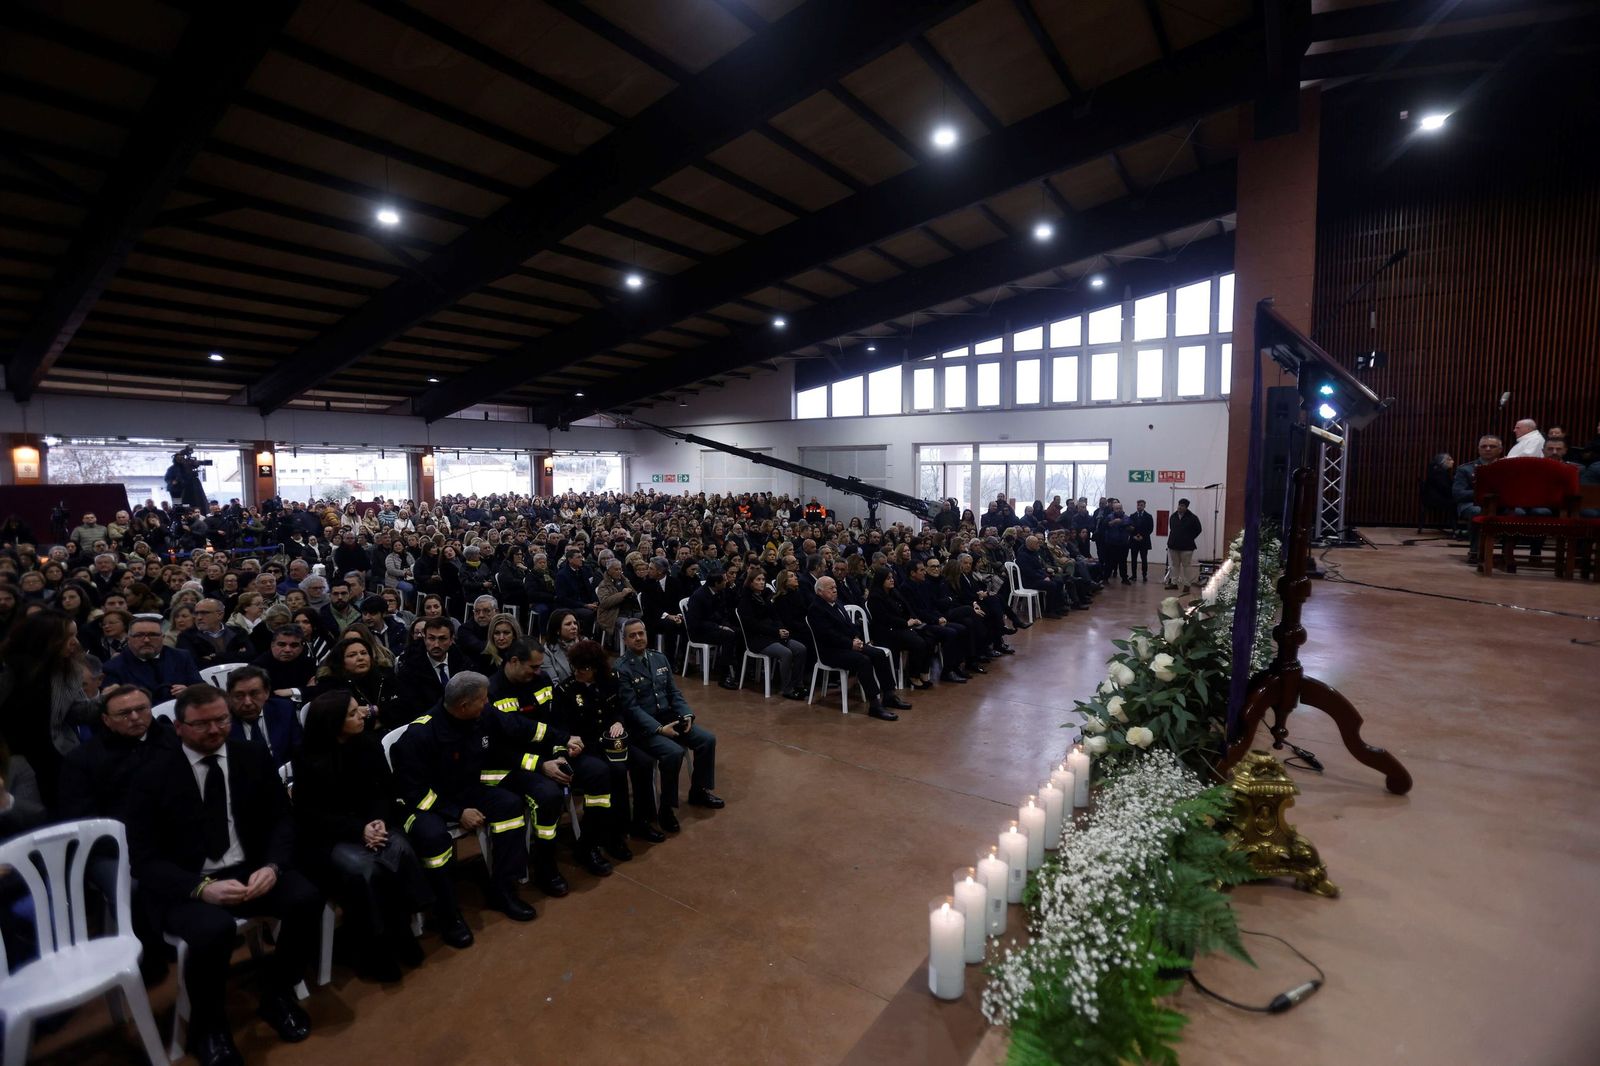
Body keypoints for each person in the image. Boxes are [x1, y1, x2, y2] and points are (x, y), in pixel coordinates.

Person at [125, 683, 324, 1066]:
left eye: (221, 720)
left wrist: (273, 866)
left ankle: (278, 993)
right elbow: (145, 859)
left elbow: (281, 820)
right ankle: (209, 1026)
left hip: (249, 867)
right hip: (187, 881)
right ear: (179, 727)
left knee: (306, 899)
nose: (215, 730)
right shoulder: (152, 775)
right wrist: (201, 889)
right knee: (213, 931)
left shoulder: (249, 755)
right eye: (202, 724)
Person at [388, 672, 538, 949]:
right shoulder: (420, 735)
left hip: (464, 790)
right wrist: (457, 812)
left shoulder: (477, 717)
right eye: (483, 699)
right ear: (464, 705)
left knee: (509, 805)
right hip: (426, 803)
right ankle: (448, 914)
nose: (488, 703)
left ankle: (502, 890)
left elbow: (514, 730)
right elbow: (412, 792)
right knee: (433, 838)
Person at [292, 690, 431, 983]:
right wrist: (359, 830)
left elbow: (384, 788)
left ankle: (400, 927)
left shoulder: (367, 743)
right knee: (363, 870)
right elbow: (311, 814)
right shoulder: (307, 756)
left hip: (371, 823)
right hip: (330, 835)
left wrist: (378, 820)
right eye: (353, 713)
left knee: (400, 850)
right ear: (333, 722)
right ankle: (373, 946)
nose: (363, 714)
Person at [483, 640, 607, 892]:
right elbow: (498, 746)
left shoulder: (541, 681)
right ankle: (545, 867)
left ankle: (588, 845)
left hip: (551, 753)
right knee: (548, 795)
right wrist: (541, 765)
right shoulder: (491, 691)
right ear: (514, 662)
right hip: (512, 763)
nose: (540, 671)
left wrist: (562, 750)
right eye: (534, 666)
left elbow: (556, 721)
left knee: (599, 773)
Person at [550, 641, 650, 872]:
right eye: (574, 667)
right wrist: (571, 741)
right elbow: (561, 727)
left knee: (643, 763)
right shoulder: (566, 691)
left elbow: (618, 708)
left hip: (611, 740)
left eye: (583, 668)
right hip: (585, 747)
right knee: (614, 772)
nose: (577, 672)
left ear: (595, 668)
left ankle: (640, 821)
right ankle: (610, 835)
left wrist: (618, 721)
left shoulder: (610, 680)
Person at [615, 619, 723, 834]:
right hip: (644, 727)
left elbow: (674, 693)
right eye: (633, 635)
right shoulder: (621, 668)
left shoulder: (659, 657)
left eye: (641, 633)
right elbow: (631, 709)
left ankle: (699, 790)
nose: (638, 638)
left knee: (707, 740)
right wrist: (659, 729)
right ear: (625, 640)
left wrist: (686, 714)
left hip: (670, 717)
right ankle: (666, 808)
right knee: (673, 753)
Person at [0, 609, 97, 806]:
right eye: (68, 636)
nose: (75, 642)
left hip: (56, 752)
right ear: (44, 639)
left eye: (75, 635)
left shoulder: (70, 670)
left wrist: (105, 702)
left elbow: (77, 713)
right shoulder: (7, 671)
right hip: (10, 756)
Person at [806, 577, 906, 721]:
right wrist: (850, 644)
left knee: (879, 654)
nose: (835, 590)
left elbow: (850, 626)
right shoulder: (816, 609)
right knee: (863, 660)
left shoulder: (837, 603)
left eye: (835, 587)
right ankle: (875, 705)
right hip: (831, 652)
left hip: (848, 644)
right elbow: (828, 635)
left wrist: (857, 638)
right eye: (830, 588)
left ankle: (889, 695)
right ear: (819, 592)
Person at [735, 569, 808, 699]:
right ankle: (787, 688)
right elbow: (753, 625)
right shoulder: (745, 600)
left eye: (763, 579)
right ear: (750, 582)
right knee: (786, 653)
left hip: (773, 634)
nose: (762, 582)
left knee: (800, 649)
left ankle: (798, 683)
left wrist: (781, 628)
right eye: (758, 580)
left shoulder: (765, 597)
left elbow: (775, 616)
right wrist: (776, 631)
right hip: (757, 639)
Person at [865, 565, 934, 690]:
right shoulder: (875, 597)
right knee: (919, 643)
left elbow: (906, 607)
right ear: (880, 580)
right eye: (888, 578)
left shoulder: (894, 592)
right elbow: (884, 618)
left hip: (900, 626)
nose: (892, 580)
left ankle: (923, 672)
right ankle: (913, 676)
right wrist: (906, 623)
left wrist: (913, 618)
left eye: (892, 577)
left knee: (930, 638)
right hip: (886, 631)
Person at [103, 613, 203, 699]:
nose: (146, 640)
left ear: (162, 637)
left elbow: (202, 688)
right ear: (129, 639)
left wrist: (189, 692)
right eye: (139, 635)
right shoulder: (113, 667)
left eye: (153, 635)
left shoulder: (181, 657)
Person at [395, 616, 477, 716]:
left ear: (451, 640)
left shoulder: (464, 664)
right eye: (431, 638)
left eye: (442, 639)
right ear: (424, 639)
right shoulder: (410, 669)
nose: (436, 644)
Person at [226, 664, 303, 765]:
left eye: (254, 694)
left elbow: (299, 748)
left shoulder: (284, 709)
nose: (247, 702)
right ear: (229, 697)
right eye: (239, 696)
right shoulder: (222, 721)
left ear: (266, 693)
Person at [686, 564, 740, 689]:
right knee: (728, 635)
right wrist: (719, 627)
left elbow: (723, 613)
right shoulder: (698, 597)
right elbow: (695, 622)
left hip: (715, 626)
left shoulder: (721, 592)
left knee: (739, 631)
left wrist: (725, 624)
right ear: (716, 583)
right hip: (700, 631)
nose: (727, 581)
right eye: (725, 579)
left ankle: (738, 668)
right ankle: (724, 675)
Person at [178, 598, 256, 668]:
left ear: (219, 615)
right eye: (196, 613)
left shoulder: (238, 632)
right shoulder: (186, 636)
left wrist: (214, 657)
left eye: (204, 613)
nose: (199, 617)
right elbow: (194, 664)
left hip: (240, 677)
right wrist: (234, 654)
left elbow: (250, 656)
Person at [1165, 498, 1203, 594]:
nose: (1180, 507)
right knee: (1174, 565)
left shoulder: (1193, 517)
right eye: (1179, 505)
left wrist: (1189, 538)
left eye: (1182, 506)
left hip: (1187, 547)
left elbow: (1198, 529)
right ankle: (1174, 583)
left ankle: (1187, 585)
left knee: (1186, 565)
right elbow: (1172, 528)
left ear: (1186, 507)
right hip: (1173, 545)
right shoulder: (1173, 516)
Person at [1127, 500, 1155, 582]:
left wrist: (1143, 536)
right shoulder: (1132, 516)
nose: (1139, 506)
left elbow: (1150, 529)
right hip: (1134, 541)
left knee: (1144, 559)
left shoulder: (1149, 516)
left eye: (1141, 505)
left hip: (1144, 541)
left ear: (1144, 506)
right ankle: (1134, 575)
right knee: (1133, 559)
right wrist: (1133, 536)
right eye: (1138, 505)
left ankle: (1144, 575)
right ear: (1136, 506)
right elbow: (1129, 528)